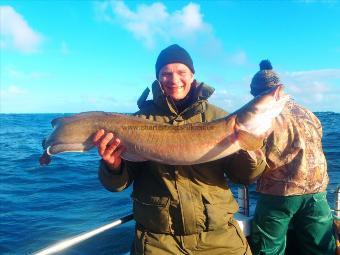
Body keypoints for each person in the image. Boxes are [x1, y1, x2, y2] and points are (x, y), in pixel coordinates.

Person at [93, 44, 266, 255]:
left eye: (181, 72)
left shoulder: (219, 117)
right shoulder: (137, 121)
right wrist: (113, 166)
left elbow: (244, 177)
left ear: (192, 75)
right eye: (166, 73)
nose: (174, 80)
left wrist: (250, 147)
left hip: (218, 236)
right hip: (159, 241)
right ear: (158, 78)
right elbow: (117, 185)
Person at [249, 60, 336, 255]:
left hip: (278, 194)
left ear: (256, 93)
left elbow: (255, 153)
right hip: (317, 191)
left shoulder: (263, 116)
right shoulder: (308, 112)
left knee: (268, 249)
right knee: (321, 249)